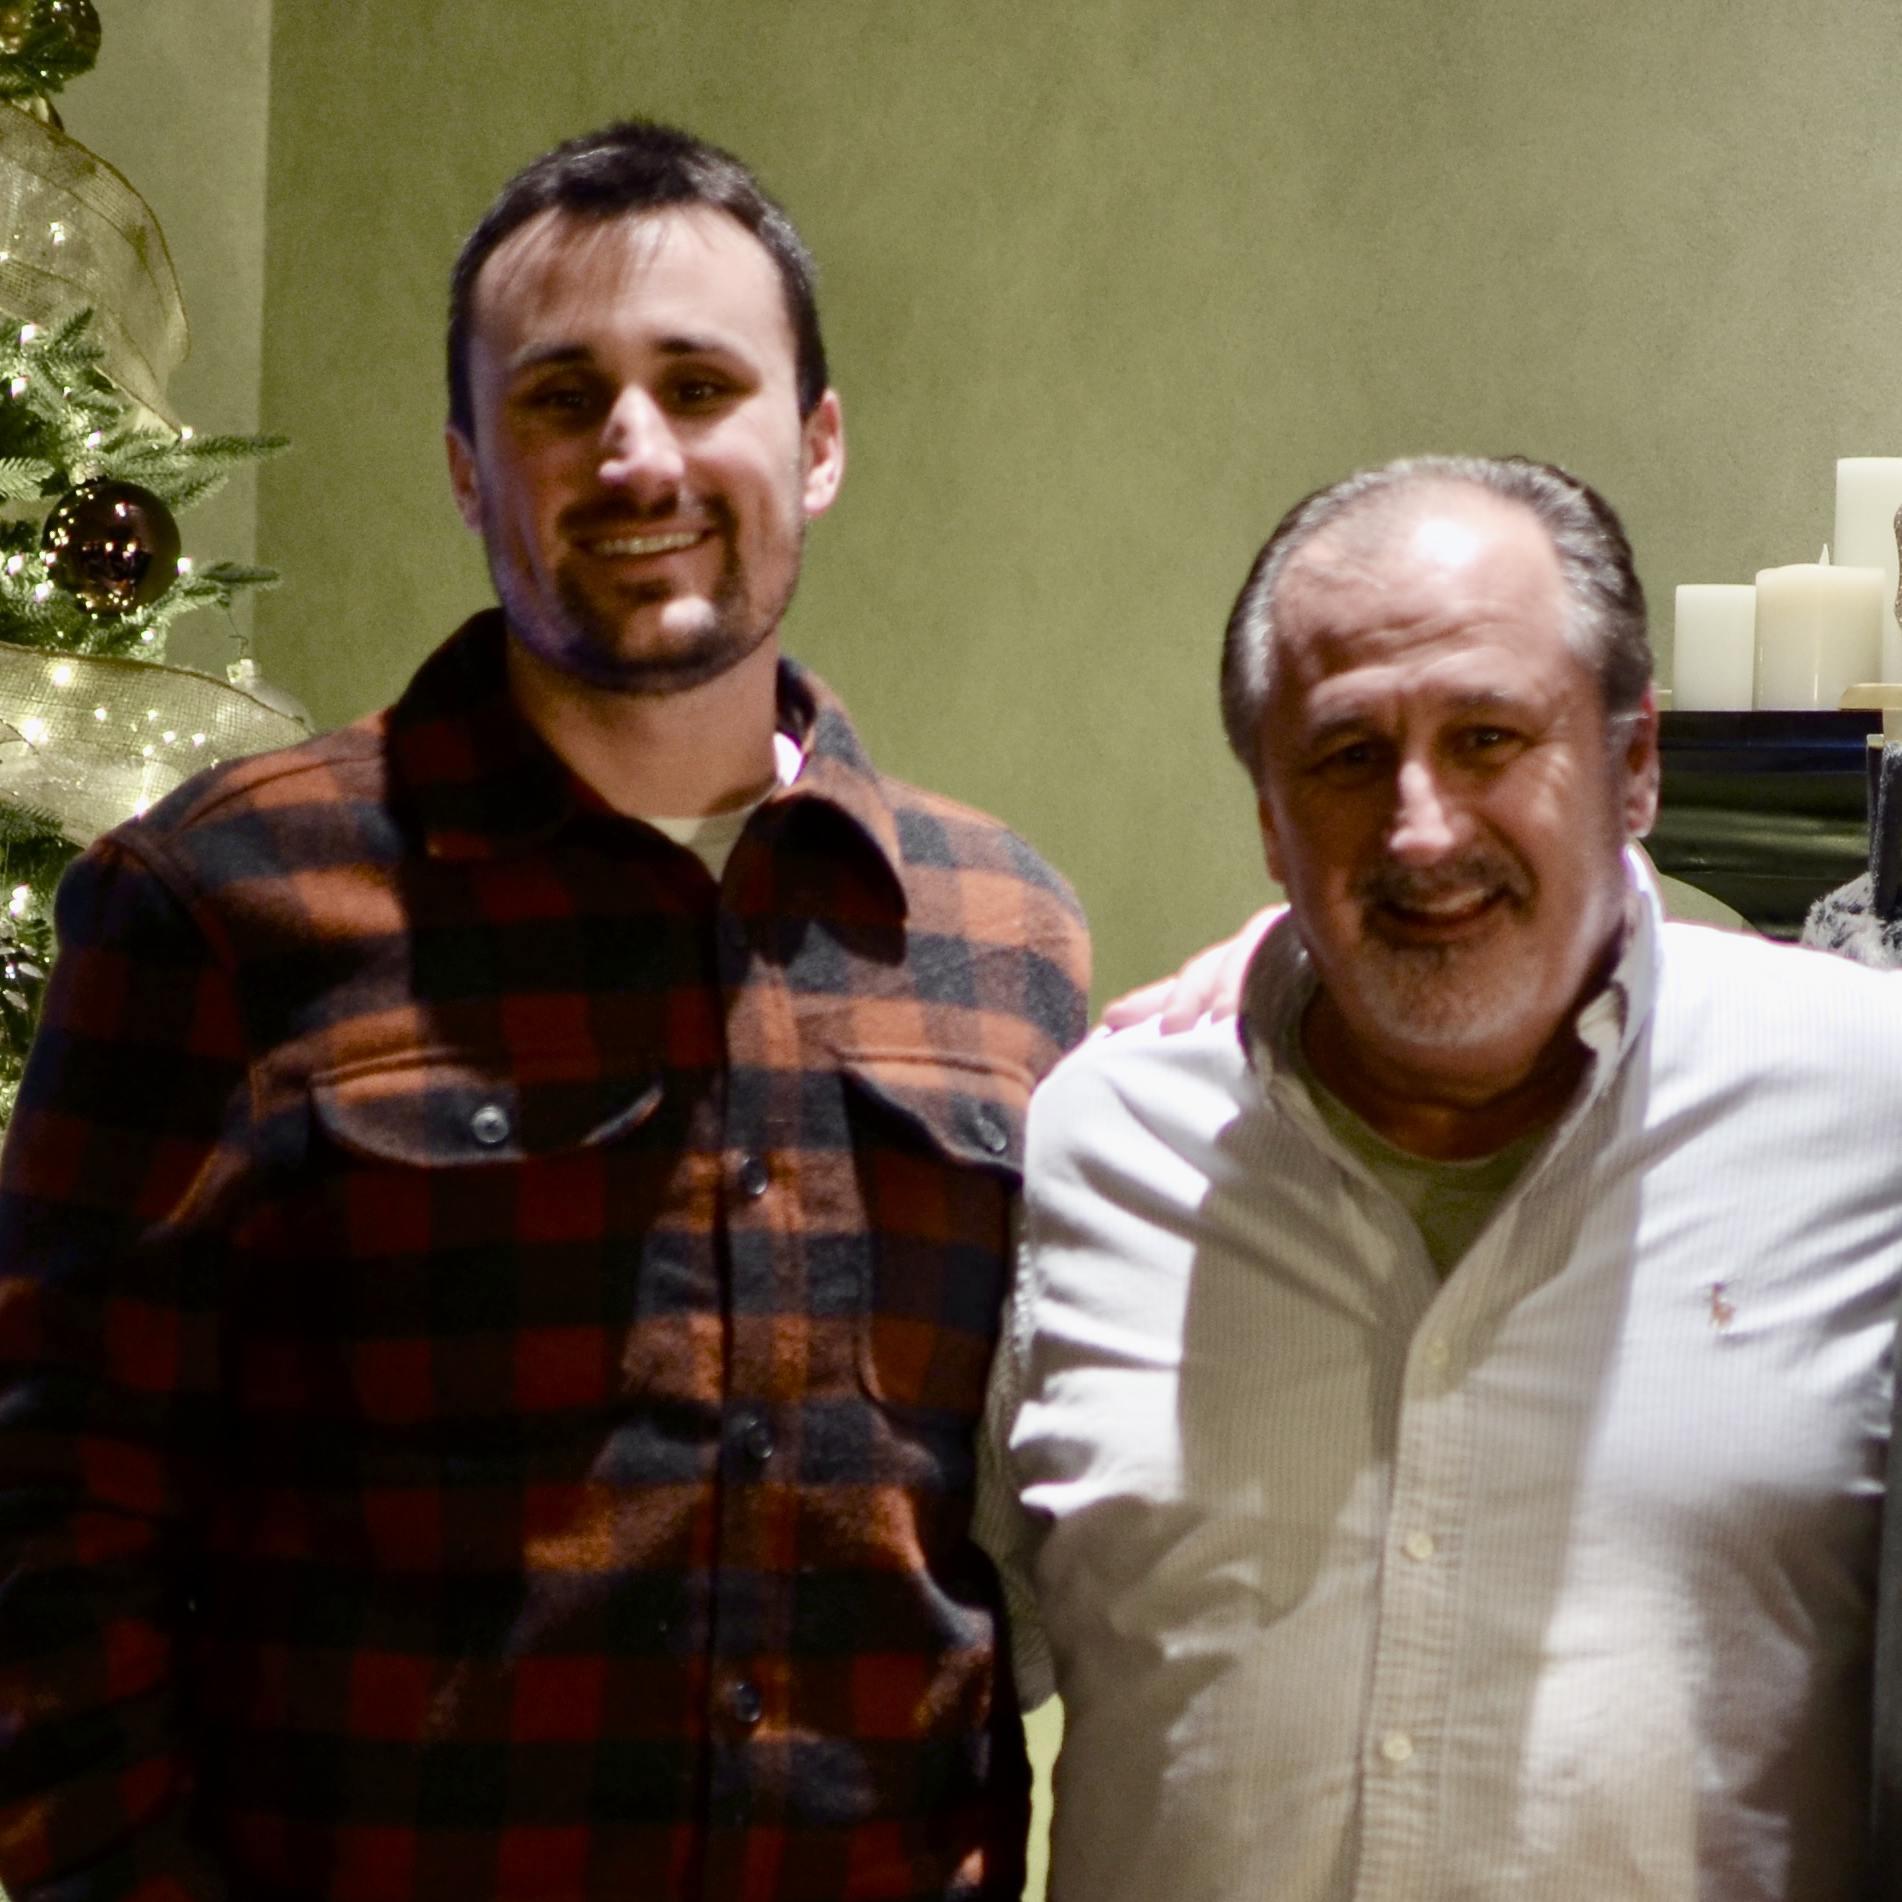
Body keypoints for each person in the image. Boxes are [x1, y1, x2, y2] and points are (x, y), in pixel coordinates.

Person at [0, 121, 1088, 1902]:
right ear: (466, 466)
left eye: (700, 385)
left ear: (816, 444)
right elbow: (49, 1526)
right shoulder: (220, 905)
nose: (635, 451)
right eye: (561, 397)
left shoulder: (1000, 938)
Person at [978, 453, 1902, 1901]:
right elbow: (934, 1675)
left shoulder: (1864, 1109)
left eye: (1487, 737)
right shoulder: (1100, 1144)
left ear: (1637, 764)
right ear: (1269, 814)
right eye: (1348, 756)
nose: (1420, 827)